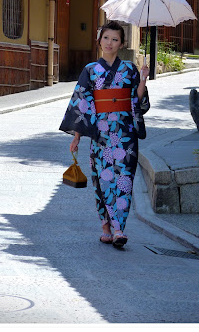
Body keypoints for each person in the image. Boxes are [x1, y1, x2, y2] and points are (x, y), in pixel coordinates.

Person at [59, 21, 149, 248]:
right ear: (99, 40)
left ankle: (119, 229)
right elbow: (82, 104)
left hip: (125, 133)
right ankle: (106, 228)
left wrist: (144, 79)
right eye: (106, 38)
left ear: (122, 43)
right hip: (101, 133)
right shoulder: (90, 70)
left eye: (115, 39)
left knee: (124, 179)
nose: (110, 43)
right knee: (104, 179)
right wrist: (77, 136)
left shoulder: (129, 69)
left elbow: (137, 101)